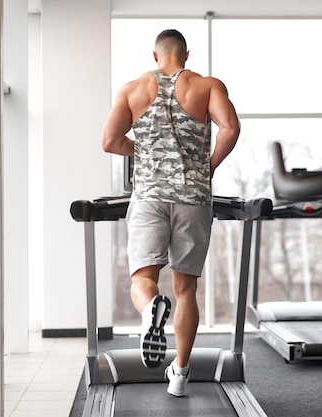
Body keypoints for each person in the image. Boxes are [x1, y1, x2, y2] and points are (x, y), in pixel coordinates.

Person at [100, 29, 240, 396]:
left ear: (155, 55)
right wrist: (205, 166)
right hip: (193, 199)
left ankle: (149, 312)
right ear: (186, 55)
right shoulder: (207, 85)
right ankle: (179, 374)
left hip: (148, 197)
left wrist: (144, 151)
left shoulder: (133, 89)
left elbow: (110, 141)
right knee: (186, 290)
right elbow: (230, 128)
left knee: (141, 280)